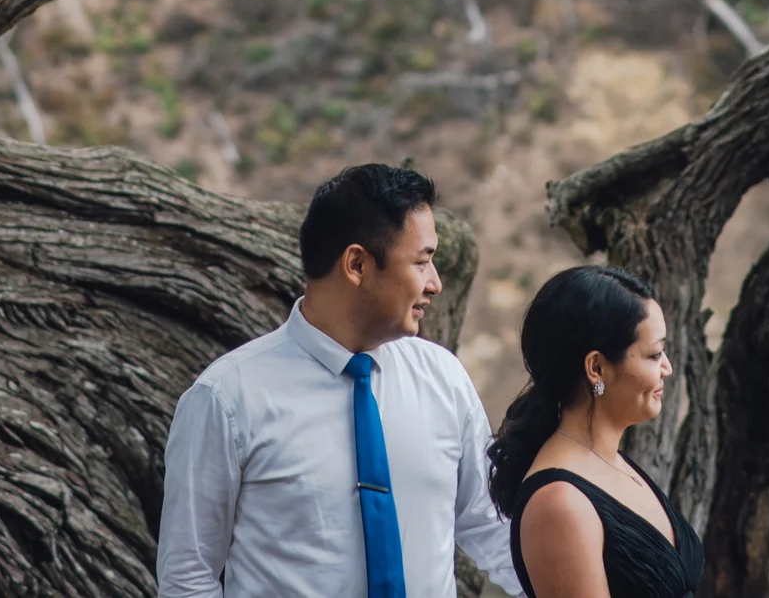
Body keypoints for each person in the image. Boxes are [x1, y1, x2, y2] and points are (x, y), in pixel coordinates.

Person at [157, 162, 521, 598]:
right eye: (421, 262)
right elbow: (187, 577)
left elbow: (492, 526)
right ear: (356, 264)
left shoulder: (443, 379)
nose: (436, 283)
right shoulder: (226, 400)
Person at [485, 266, 700, 598]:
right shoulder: (559, 503)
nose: (667, 367)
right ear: (597, 368)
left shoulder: (613, 462)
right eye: (654, 354)